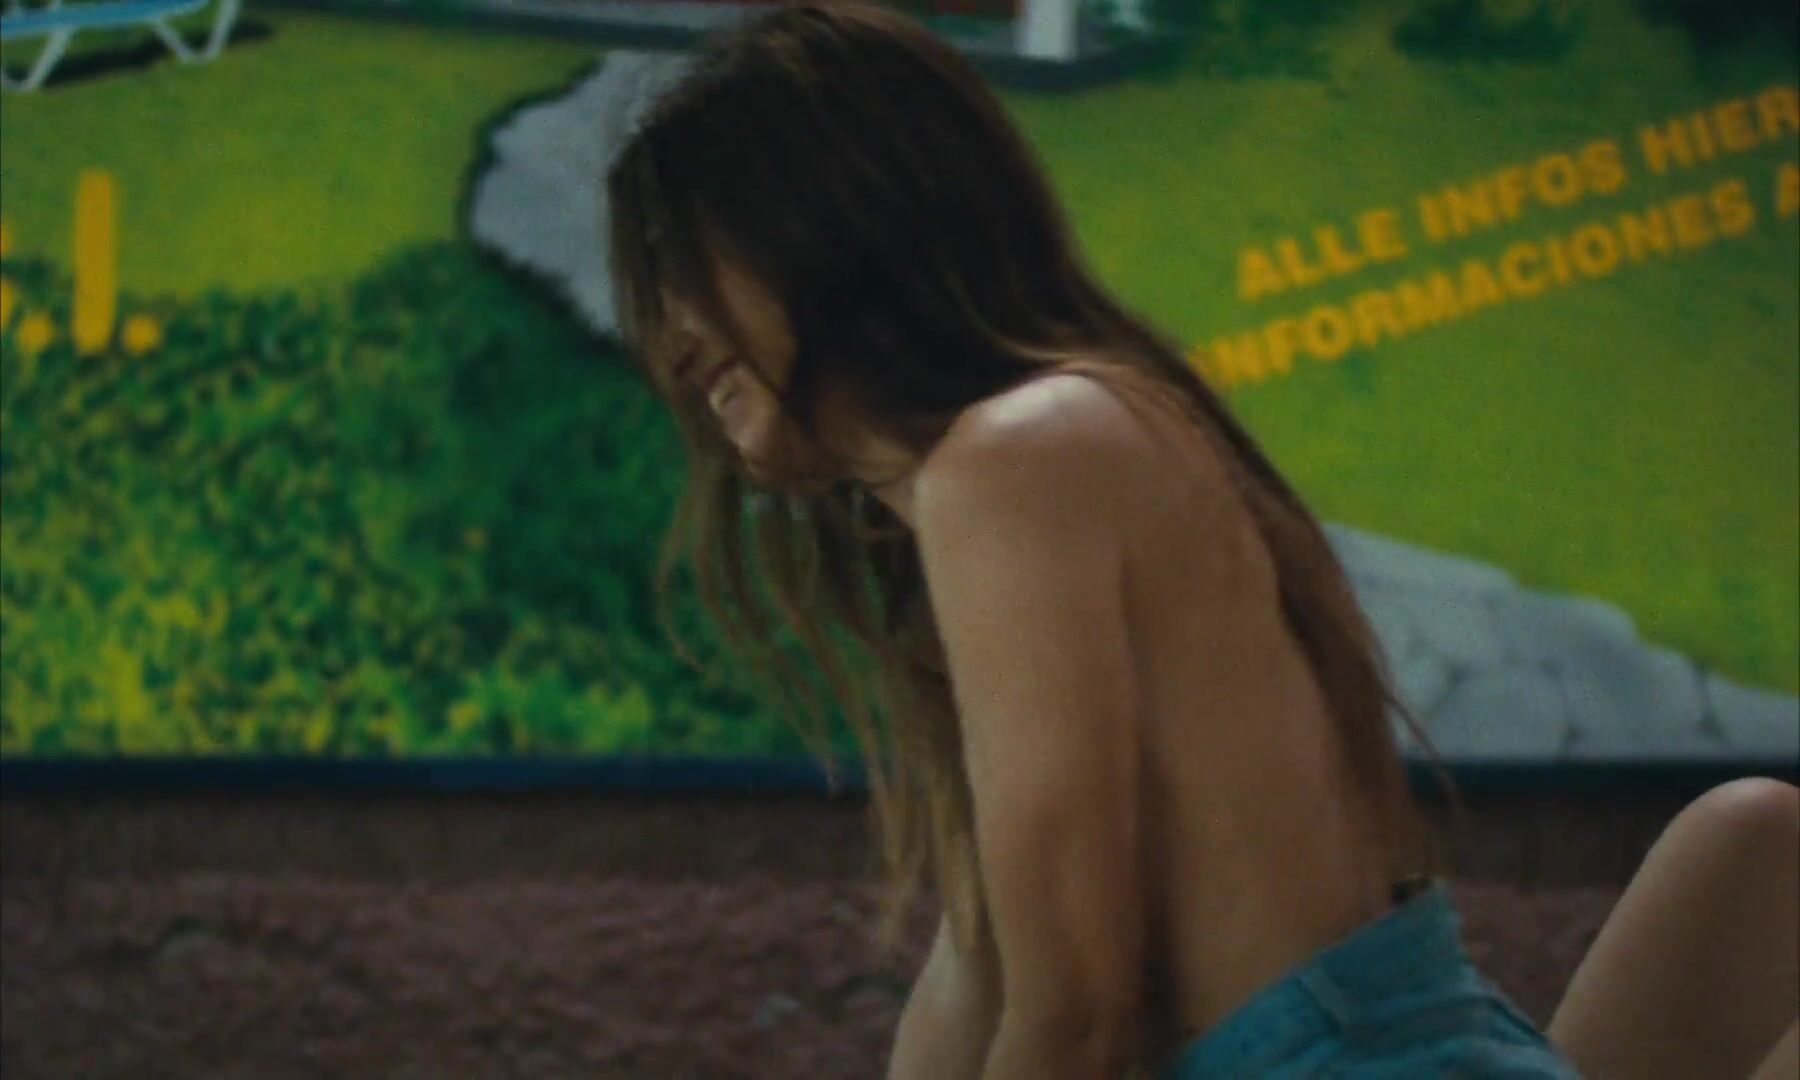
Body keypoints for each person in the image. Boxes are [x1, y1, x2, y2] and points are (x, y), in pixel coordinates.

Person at [601, 2, 1800, 1075]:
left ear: (836, 217)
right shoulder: (1014, 476)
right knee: (1754, 830)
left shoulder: (1020, 452)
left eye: (688, 258)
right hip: (1393, 1036)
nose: (666, 331)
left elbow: (1075, 1019)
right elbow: (985, 968)